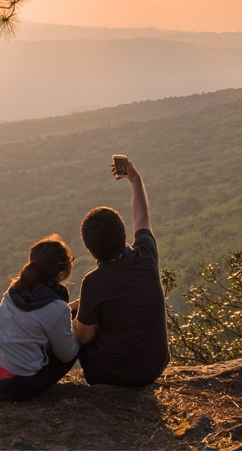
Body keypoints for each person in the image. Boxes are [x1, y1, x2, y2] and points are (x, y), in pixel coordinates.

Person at [75, 157, 170, 386]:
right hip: (154, 367)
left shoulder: (93, 282)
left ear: (90, 249)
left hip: (111, 374)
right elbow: (141, 217)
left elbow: (84, 337)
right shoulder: (146, 255)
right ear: (124, 234)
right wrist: (135, 180)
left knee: (75, 320)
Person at [0, 235, 80, 400]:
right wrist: (78, 325)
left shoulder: (16, 288)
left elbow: (35, 318)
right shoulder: (56, 309)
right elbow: (67, 355)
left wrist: (69, 309)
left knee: (67, 318)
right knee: (76, 339)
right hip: (12, 385)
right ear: (61, 274)